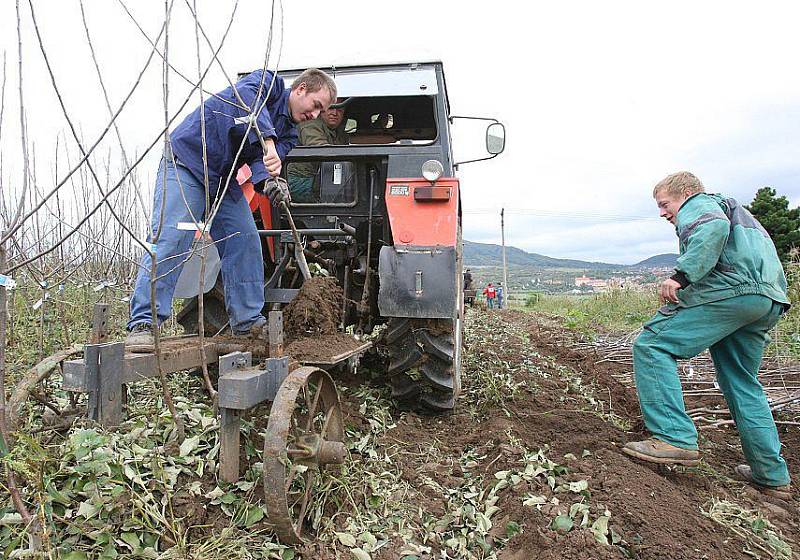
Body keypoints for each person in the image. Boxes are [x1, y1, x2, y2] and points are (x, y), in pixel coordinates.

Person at [126, 69, 337, 351]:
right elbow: (248, 101)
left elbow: (265, 165)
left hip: (223, 180)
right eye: (316, 105)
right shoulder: (267, 83)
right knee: (173, 238)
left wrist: (270, 183)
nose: (316, 114)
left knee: (246, 239)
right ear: (300, 89)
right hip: (187, 164)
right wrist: (268, 141)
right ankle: (144, 323)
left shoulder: (290, 134)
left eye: (321, 111)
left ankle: (247, 322)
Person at [623, 171, 792, 500]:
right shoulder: (739, 212)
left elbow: (712, 229)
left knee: (652, 344)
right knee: (741, 381)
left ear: (684, 193)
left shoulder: (700, 204)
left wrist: (682, 275)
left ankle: (673, 437)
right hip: (766, 300)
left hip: (732, 291)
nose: (662, 213)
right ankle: (770, 476)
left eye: (664, 204)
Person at [288, 99, 349, 201]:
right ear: (322, 109)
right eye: (331, 107)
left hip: (321, 176)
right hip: (301, 179)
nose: (334, 113)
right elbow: (321, 149)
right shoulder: (309, 125)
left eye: (339, 109)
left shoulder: (337, 132)